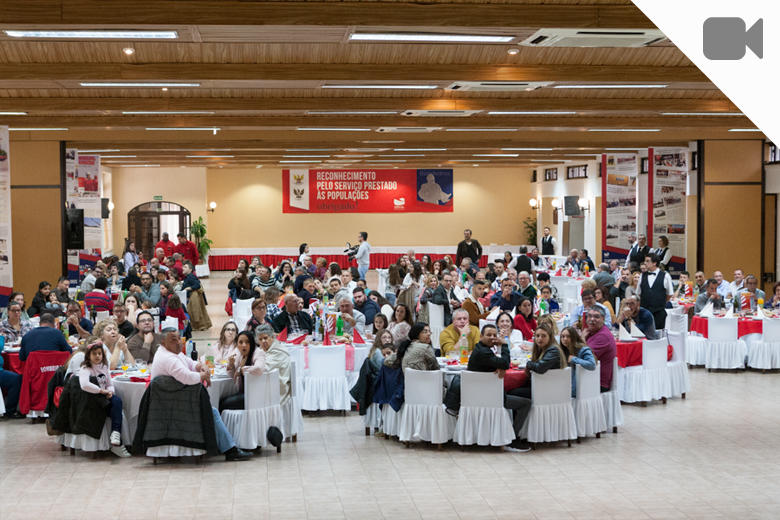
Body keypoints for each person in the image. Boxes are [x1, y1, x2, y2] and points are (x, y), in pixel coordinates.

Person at [150, 330, 252, 461]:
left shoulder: (170, 352)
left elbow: (187, 361)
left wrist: (200, 365)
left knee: (212, 410)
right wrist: (203, 376)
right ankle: (230, 450)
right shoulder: (168, 359)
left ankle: (228, 448)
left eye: (178, 339)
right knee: (212, 411)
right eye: (173, 340)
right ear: (163, 342)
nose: (177, 343)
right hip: (172, 405)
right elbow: (187, 377)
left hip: (176, 399)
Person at [77, 341, 130, 457]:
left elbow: (109, 383)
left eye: (99, 354)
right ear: (88, 356)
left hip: (104, 397)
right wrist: (101, 391)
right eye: (94, 354)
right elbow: (84, 385)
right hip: (92, 398)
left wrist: (110, 391)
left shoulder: (104, 367)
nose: (97, 356)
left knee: (117, 401)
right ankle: (117, 444)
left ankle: (115, 434)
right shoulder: (86, 368)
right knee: (114, 407)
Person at [514, 322, 566, 400]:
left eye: (543, 336)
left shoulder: (553, 350)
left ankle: (525, 409)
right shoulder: (542, 349)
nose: (540, 338)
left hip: (547, 390)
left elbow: (540, 368)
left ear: (550, 337)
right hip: (542, 385)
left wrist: (528, 364)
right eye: (537, 336)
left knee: (511, 392)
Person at [219, 331, 265, 411]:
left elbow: (259, 369)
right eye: (240, 342)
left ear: (252, 343)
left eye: (247, 342)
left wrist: (241, 370)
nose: (244, 345)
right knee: (220, 400)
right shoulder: (240, 355)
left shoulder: (258, 353)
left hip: (255, 395)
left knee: (223, 404)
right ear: (237, 344)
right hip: (243, 393)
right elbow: (233, 376)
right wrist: (231, 365)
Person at [253, 325, 293, 405]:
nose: (263, 341)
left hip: (278, 390)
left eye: (265, 338)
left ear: (272, 337)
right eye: (260, 339)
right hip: (268, 386)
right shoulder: (264, 349)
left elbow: (263, 369)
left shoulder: (278, 351)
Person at [582, 307, 616, 391]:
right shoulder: (592, 332)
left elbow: (584, 357)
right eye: (589, 316)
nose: (592, 319)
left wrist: (582, 339)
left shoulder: (603, 336)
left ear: (603, 319)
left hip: (598, 382)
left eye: (596, 317)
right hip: (589, 375)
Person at [636, 254, 674, 330]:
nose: (645, 263)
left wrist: (659, 302)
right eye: (645, 261)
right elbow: (638, 293)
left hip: (659, 313)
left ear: (654, 263)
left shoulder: (665, 276)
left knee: (658, 336)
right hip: (644, 312)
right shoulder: (642, 276)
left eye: (647, 261)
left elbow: (669, 294)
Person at [560, 327, 596, 398]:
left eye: (568, 336)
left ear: (574, 337)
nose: (565, 339)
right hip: (566, 384)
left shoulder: (583, 349)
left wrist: (574, 359)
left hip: (580, 388)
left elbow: (592, 365)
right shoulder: (563, 350)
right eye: (562, 336)